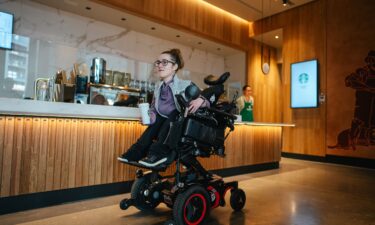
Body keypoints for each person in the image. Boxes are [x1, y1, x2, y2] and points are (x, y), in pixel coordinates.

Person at [117, 48, 209, 167]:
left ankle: (159, 154)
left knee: (175, 113)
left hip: (180, 124)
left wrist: (200, 100)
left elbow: (209, 99)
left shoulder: (185, 84)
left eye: (165, 62)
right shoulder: (158, 87)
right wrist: (150, 117)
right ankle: (135, 153)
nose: (160, 65)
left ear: (175, 67)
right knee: (157, 122)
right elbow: (154, 109)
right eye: (158, 62)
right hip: (163, 125)